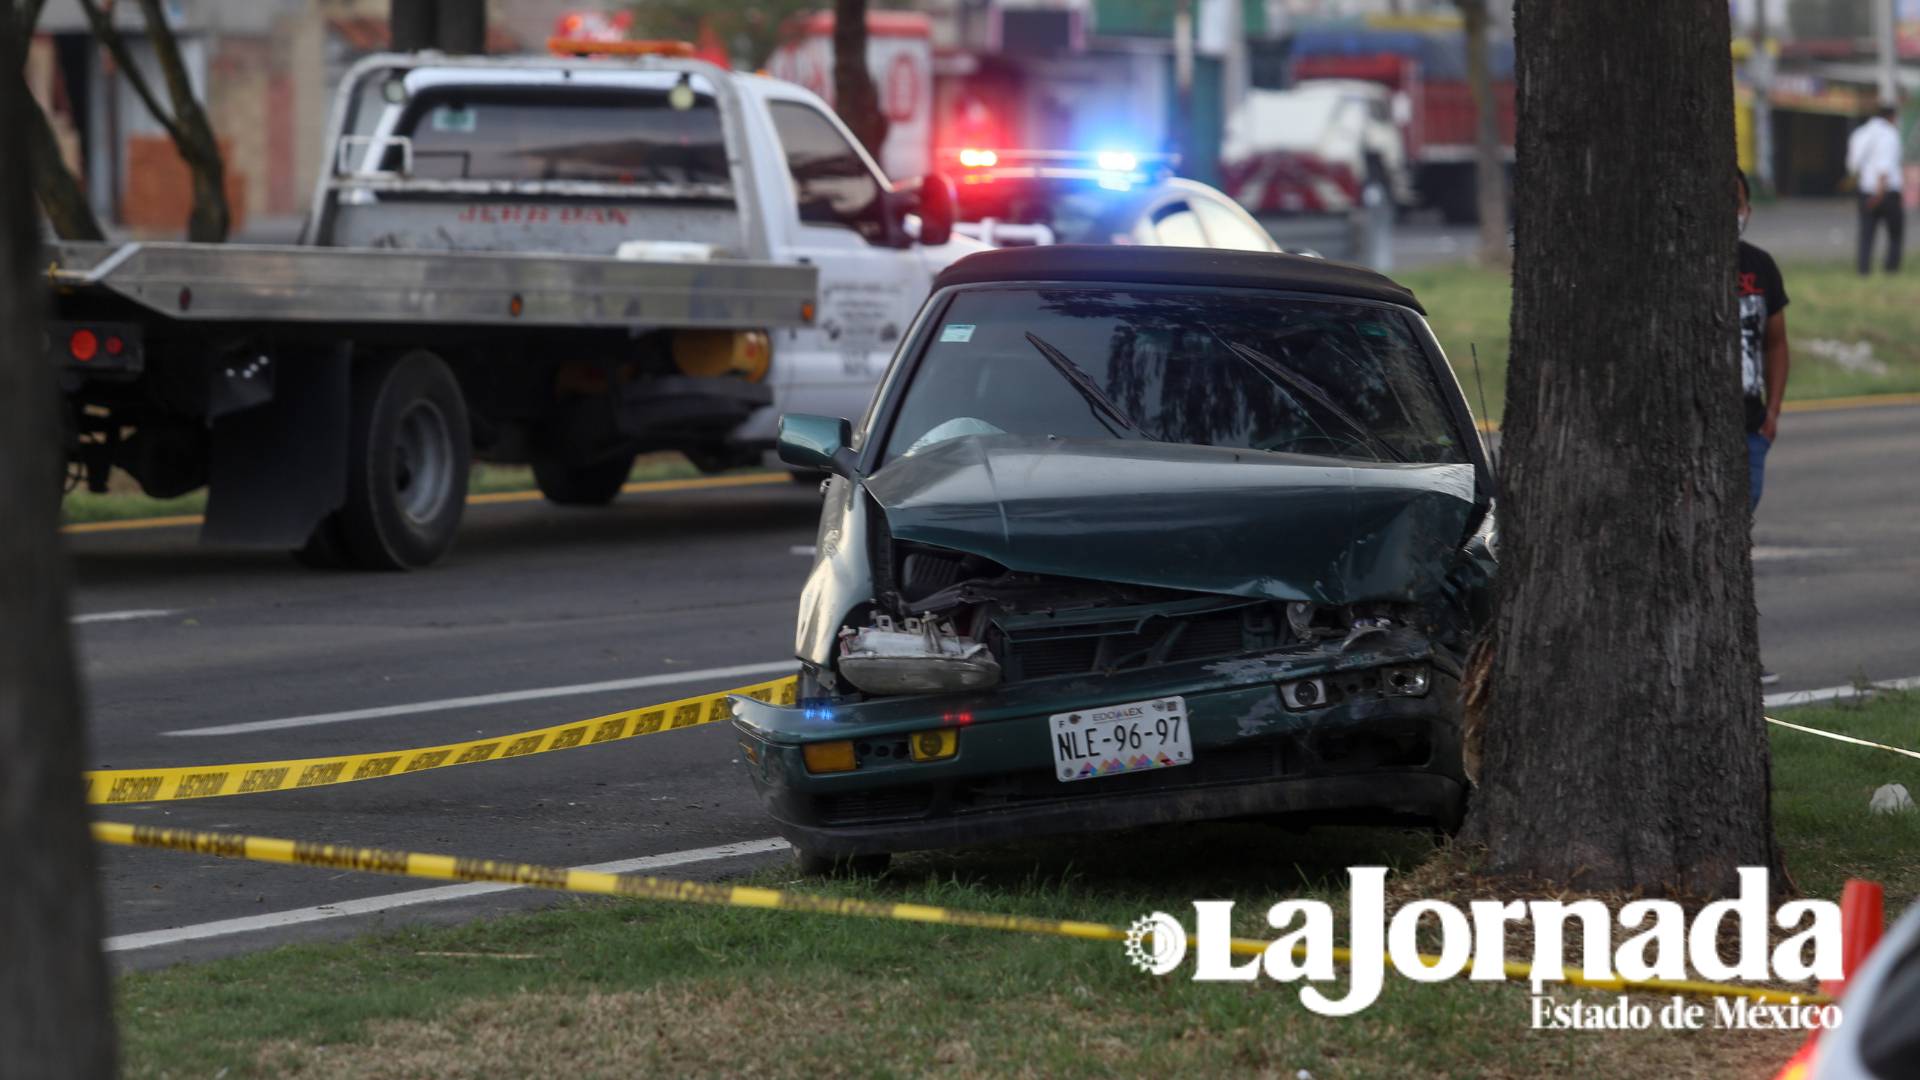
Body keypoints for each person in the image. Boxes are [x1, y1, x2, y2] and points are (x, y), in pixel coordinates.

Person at [1737, 170, 1790, 686]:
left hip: (1751, 430)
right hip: (1701, 433)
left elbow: (1776, 342)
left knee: (1734, 539)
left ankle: (1740, 652)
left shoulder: (1759, 268)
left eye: (1739, 201)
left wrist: (1772, 415)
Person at [1846, 102, 1905, 275]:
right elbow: (1884, 166)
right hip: (1886, 191)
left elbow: (1852, 165)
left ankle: (1863, 270)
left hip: (1865, 189)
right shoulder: (1889, 134)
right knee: (1895, 234)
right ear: (1892, 117)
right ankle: (1891, 269)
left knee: (1866, 233)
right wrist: (1879, 192)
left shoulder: (1860, 133)